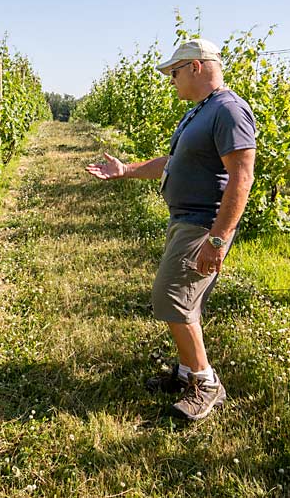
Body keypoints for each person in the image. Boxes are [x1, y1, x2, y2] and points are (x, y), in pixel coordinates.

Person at [85, 38, 256, 420]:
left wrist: (217, 238)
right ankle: (185, 373)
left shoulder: (229, 110)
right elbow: (173, 161)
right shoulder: (201, 112)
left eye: (174, 72)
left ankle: (206, 383)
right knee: (180, 300)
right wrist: (127, 170)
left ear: (196, 67)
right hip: (186, 221)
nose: (171, 80)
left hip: (202, 225)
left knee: (172, 298)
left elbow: (242, 178)